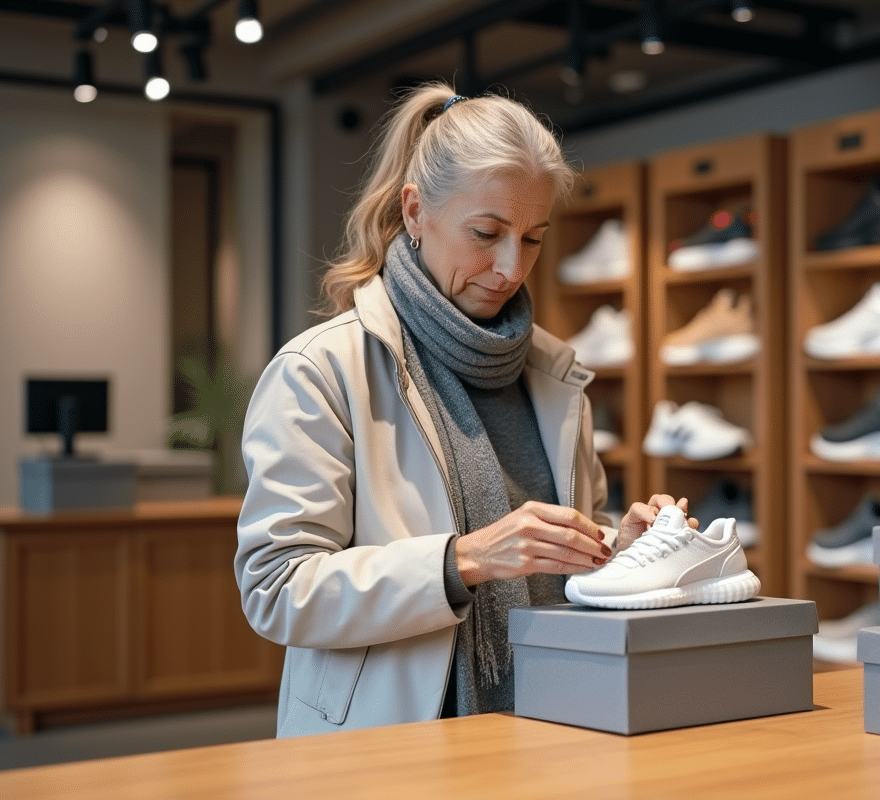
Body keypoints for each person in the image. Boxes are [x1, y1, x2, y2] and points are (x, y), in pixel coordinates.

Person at [235, 82, 692, 738]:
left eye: (533, 238)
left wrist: (615, 554)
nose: (510, 267)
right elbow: (277, 591)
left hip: (550, 732)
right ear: (416, 212)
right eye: (486, 233)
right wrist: (461, 561)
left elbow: (556, 566)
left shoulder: (557, 376)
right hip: (386, 752)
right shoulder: (322, 371)